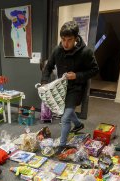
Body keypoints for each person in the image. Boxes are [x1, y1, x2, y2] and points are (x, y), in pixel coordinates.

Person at [41, 21, 99, 153]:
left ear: (76, 38)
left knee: (65, 117)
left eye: (69, 40)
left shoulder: (86, 52)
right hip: (61, 88)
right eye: (63, 40)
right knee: (66, 110)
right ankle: (78, 125)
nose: (65, 44)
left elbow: (95, 70)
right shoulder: (57, 50)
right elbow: (48, 66)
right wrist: (44, 82)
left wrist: (77, 75)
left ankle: (62, 145)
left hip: (77, 87)